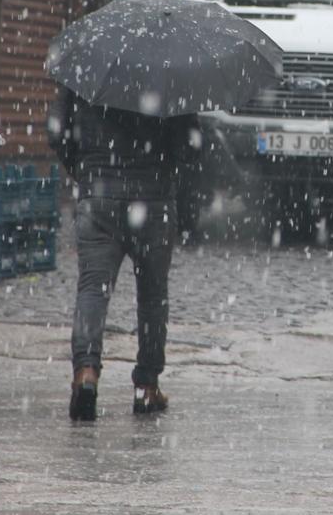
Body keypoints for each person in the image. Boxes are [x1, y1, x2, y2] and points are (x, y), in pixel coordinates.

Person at [47, 86, 197, 422]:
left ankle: (86, 373)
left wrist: (85, 171)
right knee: (153, 295)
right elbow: (189, 146)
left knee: (92, 289)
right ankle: (146, 385)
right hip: (154, 200)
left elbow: (56, 132)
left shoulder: (88, 69)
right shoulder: (171, 70)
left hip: (99, 198)